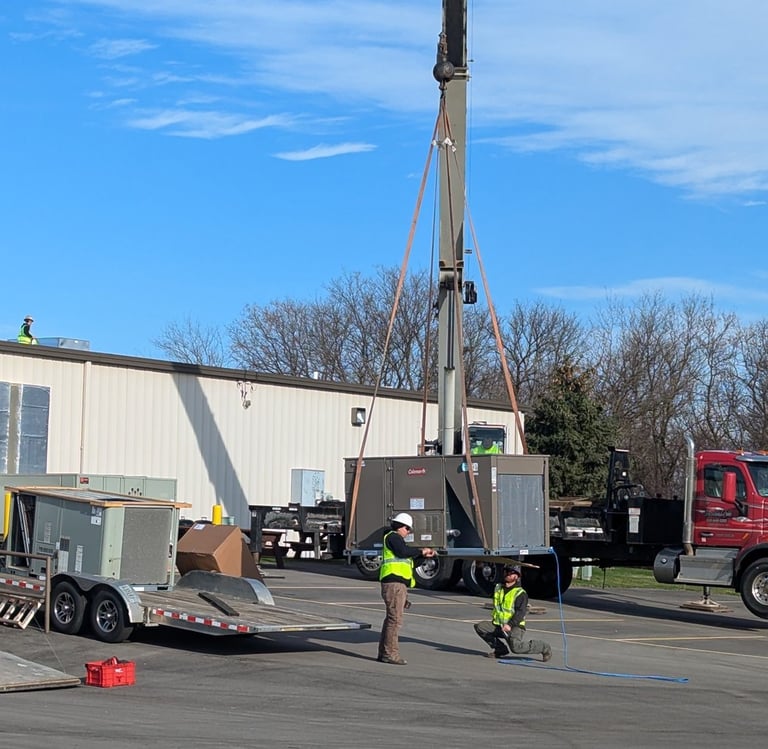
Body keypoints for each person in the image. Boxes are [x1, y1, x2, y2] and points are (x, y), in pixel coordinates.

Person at [377, 511, 435, 665]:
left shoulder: (396, 540)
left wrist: (422, 555)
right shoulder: (393, 537)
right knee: (395, 620)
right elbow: (403, 553)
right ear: (401, 527)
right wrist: (421, 551)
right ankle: (390, 654)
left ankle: (385, 652)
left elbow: (408, 560)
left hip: (397, 584)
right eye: (408, 529)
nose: (408, 532)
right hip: (394, 583)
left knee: (391, 619)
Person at [474, 563, 552, 662]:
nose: (508, 574)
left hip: (515, 626)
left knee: (516, 647)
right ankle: (500, 649)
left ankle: (544, 647)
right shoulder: (498, 587)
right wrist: (479, 567)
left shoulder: (520, 593)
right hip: (499, 625)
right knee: (480, 627)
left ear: (517, 576)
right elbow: (482, 584)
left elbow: (520, 613)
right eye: (506, 571)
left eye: (511, 572)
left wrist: (510, 625)